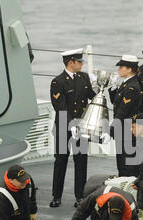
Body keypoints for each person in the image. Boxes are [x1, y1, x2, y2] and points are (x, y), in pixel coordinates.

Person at [50, 48, 96, 208]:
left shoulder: (84, 78)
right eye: (79, 61)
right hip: (64, 126)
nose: (82, 64)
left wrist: (101, 87)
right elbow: (60, 107)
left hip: (81, 127)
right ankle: (56, 196)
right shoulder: (58, 82)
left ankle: (80, 196)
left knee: (81, 161)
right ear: (71, 63)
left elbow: (92, 96)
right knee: (61, 161)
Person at [109, 55, 142, 177]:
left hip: (128, 129)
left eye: (121, 67)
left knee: (128, 164)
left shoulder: (132, 86)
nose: (119, 69)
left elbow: (123, 110)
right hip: (123, 128)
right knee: (121, 161)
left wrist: (113, 127)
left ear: (129, 69)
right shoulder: (125, 84)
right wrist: (113, 87)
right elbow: (115, 102)